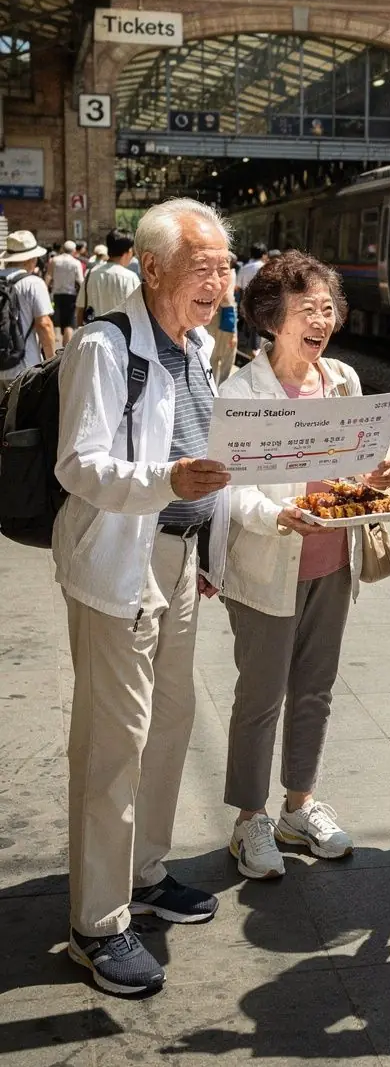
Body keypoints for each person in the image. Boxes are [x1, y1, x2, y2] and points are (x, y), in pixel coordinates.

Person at [53, 197, 233, 998]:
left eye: (227, 266)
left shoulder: (195, 348)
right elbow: (79, 465)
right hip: (119, 565)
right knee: (113, 743)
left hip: (178, 560)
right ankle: (98, 922)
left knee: (172, 723)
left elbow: (203, 450)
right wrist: (165, 484)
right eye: (205, 268)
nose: (221, 283)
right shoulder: (103, 345)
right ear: (152, 268)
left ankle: (149, 873)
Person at [219, 251, 390, 878]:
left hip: (330, 558)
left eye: (328, 309)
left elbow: (349, 466)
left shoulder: (342, 381)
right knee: (261, 696)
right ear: (272, 319)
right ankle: (249, 820)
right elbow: (227, 487)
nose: (320, 321)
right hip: (267, 562)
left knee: (316, 691)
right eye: (306, 310)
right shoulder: (242, 390)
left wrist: (370, 476)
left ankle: (298, 804)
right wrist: (276, 516)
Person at [0, 230, 56, 385]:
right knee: (21, 410)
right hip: (24, 368)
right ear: (30, 259)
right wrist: (51, 364)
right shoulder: (33, 283)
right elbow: (44, 325)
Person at [76, 228, 140, 323]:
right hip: (120, 334)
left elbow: (80, 308)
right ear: (129, 251)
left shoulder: (91, 274)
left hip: (92, 333)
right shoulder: (130, 278)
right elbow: (137, 312)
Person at [208, 255, 238, 385]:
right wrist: (233, 331)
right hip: (221, 321)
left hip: (212, 320)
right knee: (225, 359)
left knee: (212, 359)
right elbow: (227, 299)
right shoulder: (228, 275)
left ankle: (213, 392)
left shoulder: (211, 274)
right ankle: (219, 394)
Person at [49, 240, 84, 343]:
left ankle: (57, 341)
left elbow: (49, 275)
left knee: (57, 320)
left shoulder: (54, 260)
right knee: (69, 323)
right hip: (70, 295)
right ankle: (65, 350)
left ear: (62, 249)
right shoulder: (76, 263)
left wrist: (46, 289)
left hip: (57, 294)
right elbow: (80, 280)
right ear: (74, 251)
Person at [236, 243, 268, 352]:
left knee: (249, 328)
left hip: (246, 301)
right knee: (258, 331)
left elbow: (237, 287)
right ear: (264, 255)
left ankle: (248, 349)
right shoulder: (265, 268)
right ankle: (255, 351)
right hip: (262, 301)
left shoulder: (244, 268)